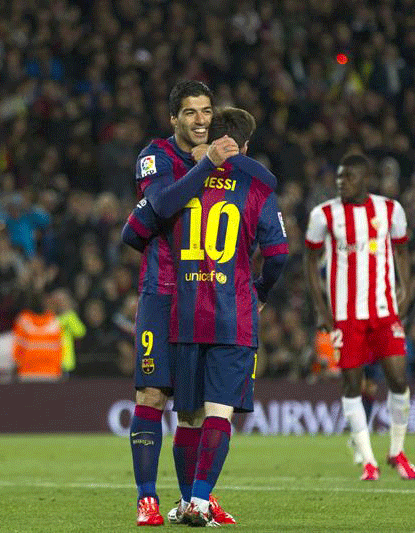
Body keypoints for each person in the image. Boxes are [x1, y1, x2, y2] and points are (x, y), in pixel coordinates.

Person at [161, 107, 288, 525]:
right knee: (219, 412)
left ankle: (185, 503)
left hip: (186, 309)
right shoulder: (259, 179)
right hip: (235, 312)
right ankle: (199, 501)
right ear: (246, 143)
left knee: (189, 415)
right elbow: (278, 253)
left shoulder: (183, 175)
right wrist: (262, 292)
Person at [124, 80, 240, 526]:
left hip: (206, 295)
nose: (199, 121)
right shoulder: (155, 156)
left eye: (206, 111)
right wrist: (205, 166)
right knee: (151, 394)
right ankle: (147, 498)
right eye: (190, 112)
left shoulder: (225, 161)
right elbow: (164, 202)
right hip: (162, 292)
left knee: (192, 410)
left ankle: (194, 501)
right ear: (173, 118)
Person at [304, 152, 415, 481]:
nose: (342, 184)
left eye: (348, 178)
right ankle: (368, 460)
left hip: (383, 312)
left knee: (398, 379)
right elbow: (310, 263)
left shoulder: (390, 209)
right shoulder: (324, 215)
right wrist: (322, 311)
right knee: (352, 383)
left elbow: (401, 249)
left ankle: (397, 452)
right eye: (339, 179)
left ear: (364, 178)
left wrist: (405, 289)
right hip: (345, 316)